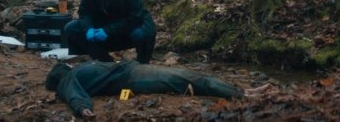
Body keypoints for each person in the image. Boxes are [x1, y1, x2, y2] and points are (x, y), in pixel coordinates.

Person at [45, 60, 245, 118]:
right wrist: (82, 108)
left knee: (191, 77)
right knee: (189, 80)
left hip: (133, 70)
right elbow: (72, 94)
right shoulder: (67, 79)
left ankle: (241, 92)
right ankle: (243, 95)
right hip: (134, 78)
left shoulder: (77, 70)